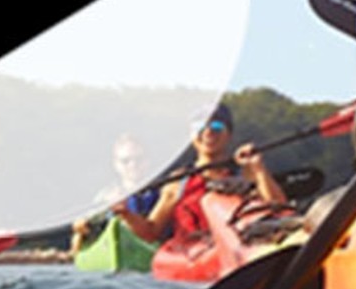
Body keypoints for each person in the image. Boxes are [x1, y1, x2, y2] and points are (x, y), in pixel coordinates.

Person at [120, 103, 290, 246]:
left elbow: (281, 210)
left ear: (228, 134)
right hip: (193, 255)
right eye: (200, 127)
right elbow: (151, 232)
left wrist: (259, 169)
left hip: (236, 249)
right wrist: (126, 214)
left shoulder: (246, 173)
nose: (208, 132)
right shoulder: (179, 181)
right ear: (191, 135)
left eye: (216, 126)